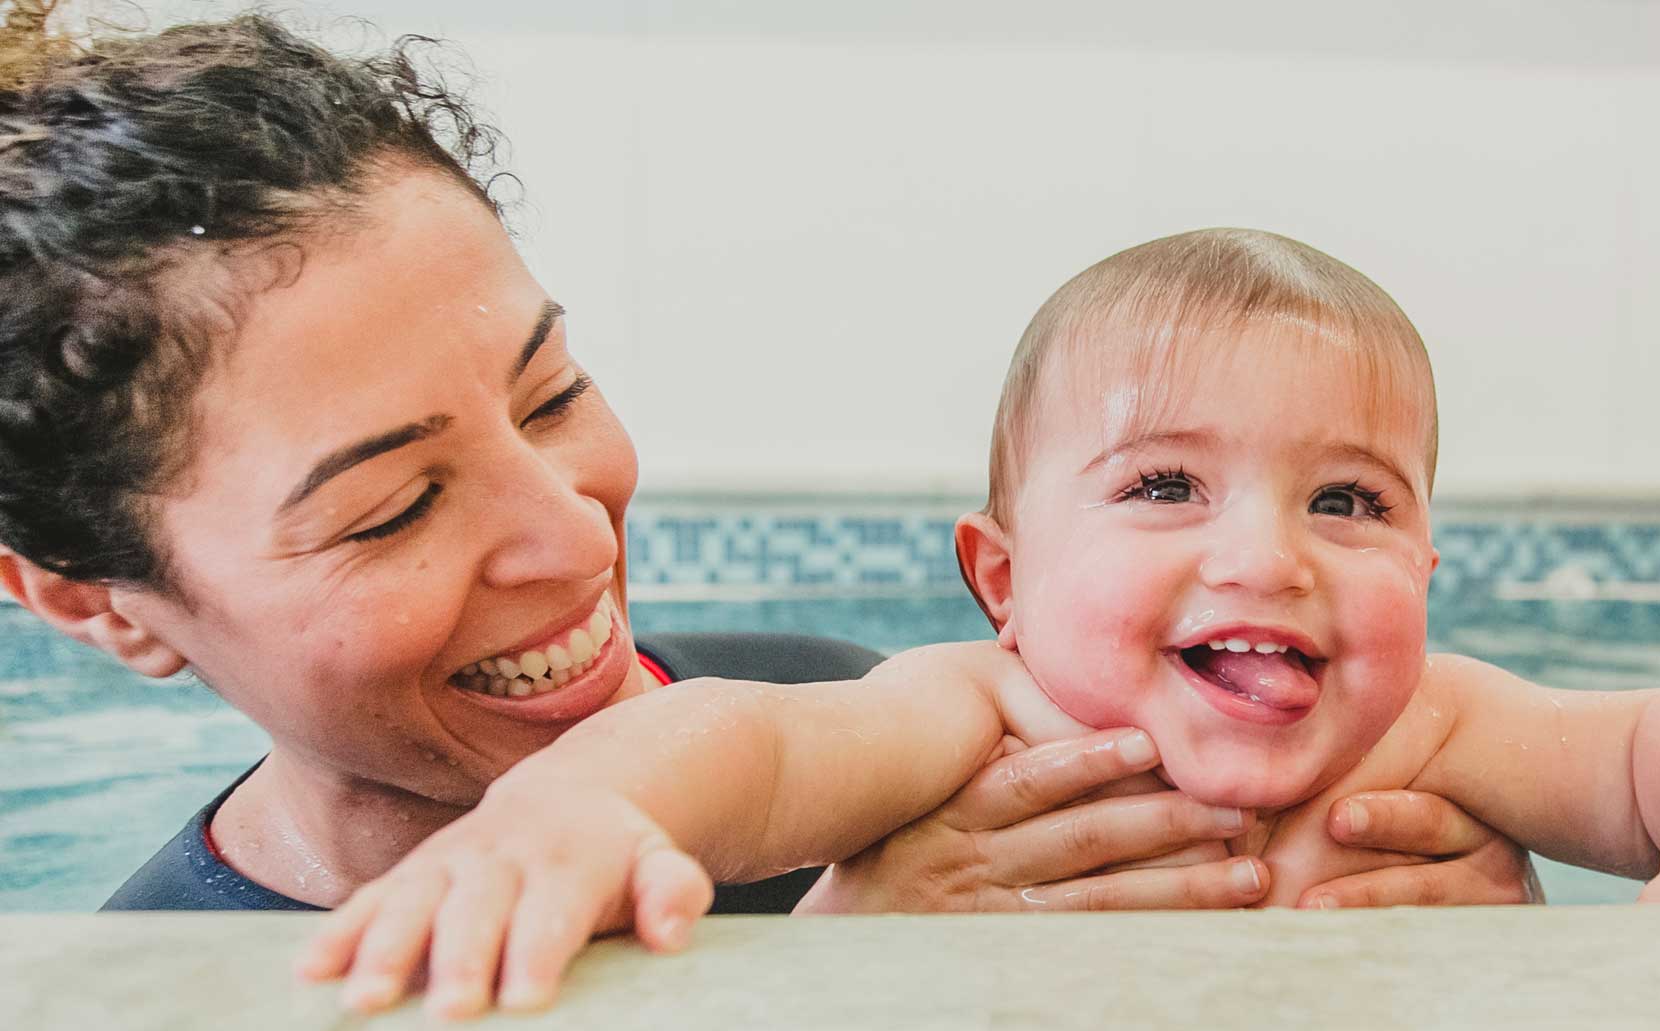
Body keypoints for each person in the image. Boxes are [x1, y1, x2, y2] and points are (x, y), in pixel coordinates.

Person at [0, 12, 1533, 925]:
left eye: (550, 394)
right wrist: (833, 967)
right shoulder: (160, 1004)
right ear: (101, 602)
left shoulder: (835, 702)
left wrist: (1457, 931)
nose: (571, 535)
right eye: (393, 504)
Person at [304, 227, 1660, 1017]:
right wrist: (574, 808)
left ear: (1431, 572)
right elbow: (747, 733)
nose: (1269, 556)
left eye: (1350, 500)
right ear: (1004, 579)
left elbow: (1658, 733)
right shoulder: (976, 710)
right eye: (1167, 486)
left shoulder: (1431, 722)